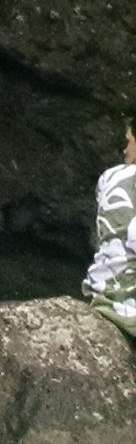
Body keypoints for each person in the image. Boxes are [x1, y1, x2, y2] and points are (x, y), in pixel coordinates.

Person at [82, 127, 136, 334]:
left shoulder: (110, 176)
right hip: (126, 307)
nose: (124, 151)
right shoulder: (128, 177)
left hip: (102, 295)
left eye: (127, 142)